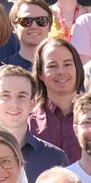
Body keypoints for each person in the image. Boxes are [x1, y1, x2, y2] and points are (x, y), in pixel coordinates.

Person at [0, 64, 67, 183]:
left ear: (32, 104)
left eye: (21, 96)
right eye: (5, 95)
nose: (14, 104)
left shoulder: (54, 158)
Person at [28, 36, 84, 164]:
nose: (61, 71)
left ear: (77, 68)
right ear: (40, 73)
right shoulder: (28, 121)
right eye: (52, 66)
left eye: (67, 64)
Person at [5, 0, 53, 71]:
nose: (34, 26)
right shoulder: (3, 69)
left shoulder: (62, 69)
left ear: (50, 25)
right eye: (26, 21)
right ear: (15, 26)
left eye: (41, 20)